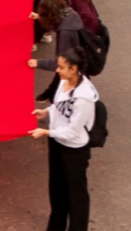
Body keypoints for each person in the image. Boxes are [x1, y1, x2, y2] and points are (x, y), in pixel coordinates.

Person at [28, 54, 97, 231]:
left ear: (73, 69)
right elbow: (60, 106)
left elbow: (73, 131)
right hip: (57, 143)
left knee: (76, 195)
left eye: (61, 67)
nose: (57, 70)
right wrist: (47, 111)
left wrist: (46, 132)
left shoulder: (84, 98)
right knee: (56, 189)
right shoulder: (63, 82)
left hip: (74, 150)